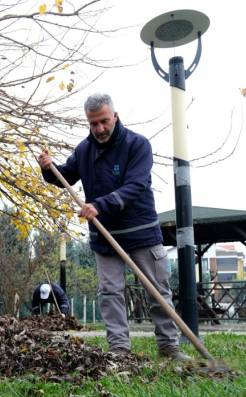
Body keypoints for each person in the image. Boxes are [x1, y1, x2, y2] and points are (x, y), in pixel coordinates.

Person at [37, 93, 191, 361]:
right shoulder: (84, 150)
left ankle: (169, 347)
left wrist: (100, 205)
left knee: (158, 291)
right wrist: (49, 169)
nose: (100, 129)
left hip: (141, 231)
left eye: (104, 121)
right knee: (109, 293)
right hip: (104, 238)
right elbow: (66, 177)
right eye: (93, 124)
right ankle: (120, 350)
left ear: (115, 116)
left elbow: (136, 185)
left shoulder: (137, 145)